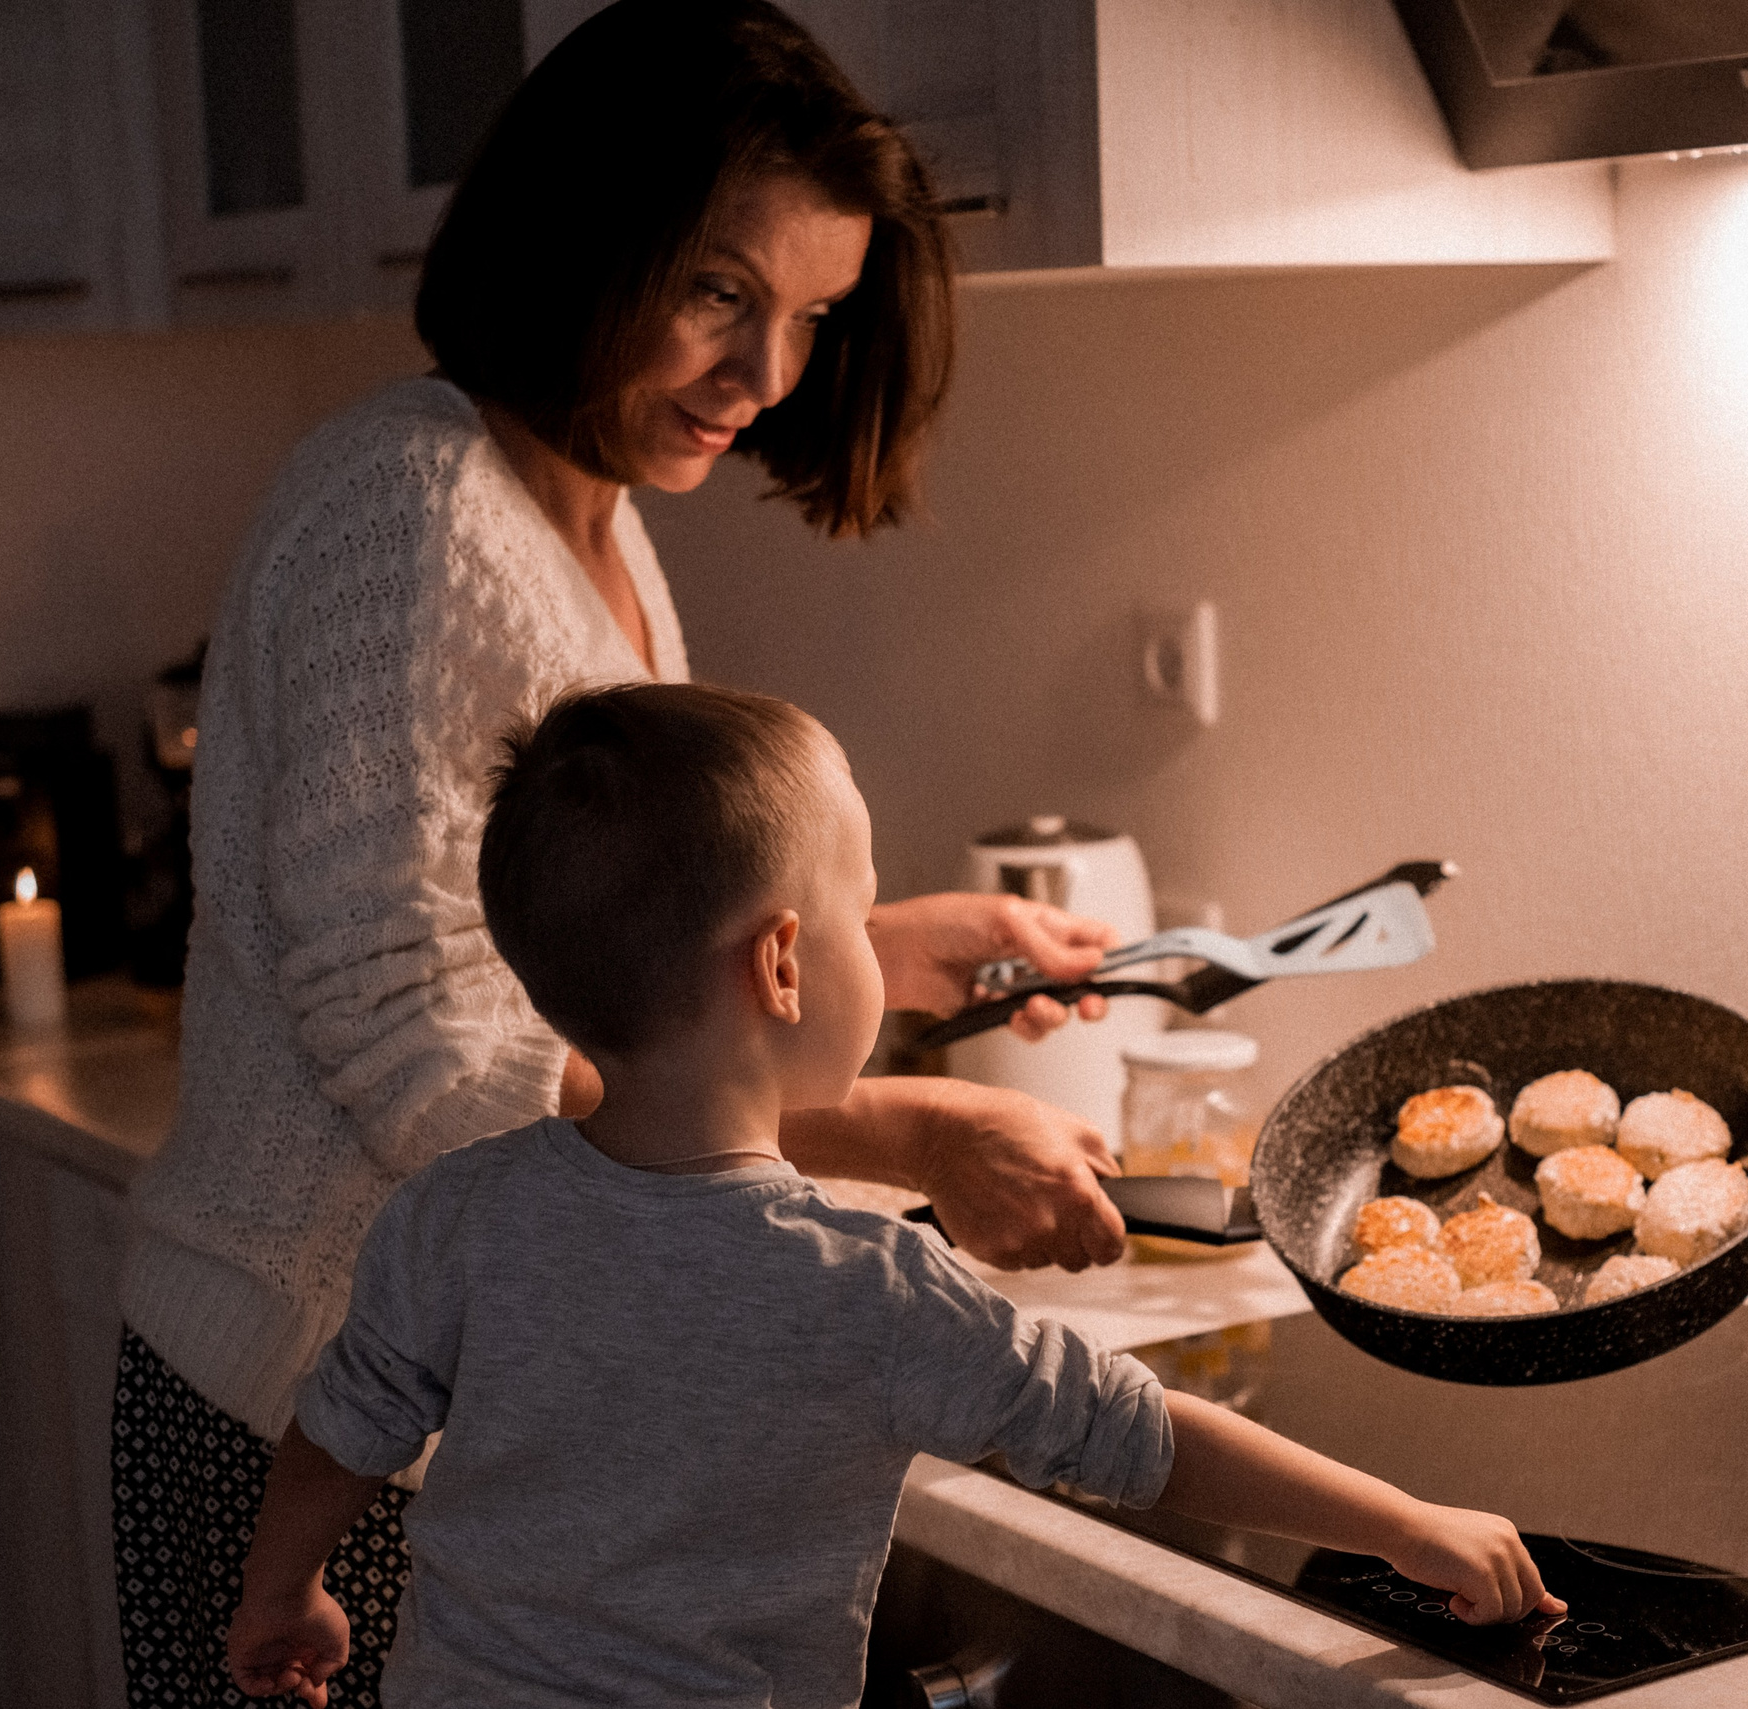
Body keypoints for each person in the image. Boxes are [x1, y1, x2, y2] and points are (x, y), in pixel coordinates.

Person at [115, 7, 1131, 1704]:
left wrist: (880, 938)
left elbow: (589, 947)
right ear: (587, 234)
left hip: (463, 1393)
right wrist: (900, 1129)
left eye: (810, 315)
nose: (767, 375)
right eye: (722, 293)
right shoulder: (418, 511)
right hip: (307, 1407)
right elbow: (426, 1052)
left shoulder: (586, 518)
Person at [224, 684, 1565, 1706]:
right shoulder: (867, 1288)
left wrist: (284, 1590)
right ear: (789, 964)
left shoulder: (455, 1218)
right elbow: (1144, 1436)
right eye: (865, 909)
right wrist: (1409, 1522)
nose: (886, 939)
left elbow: (337, 1431)